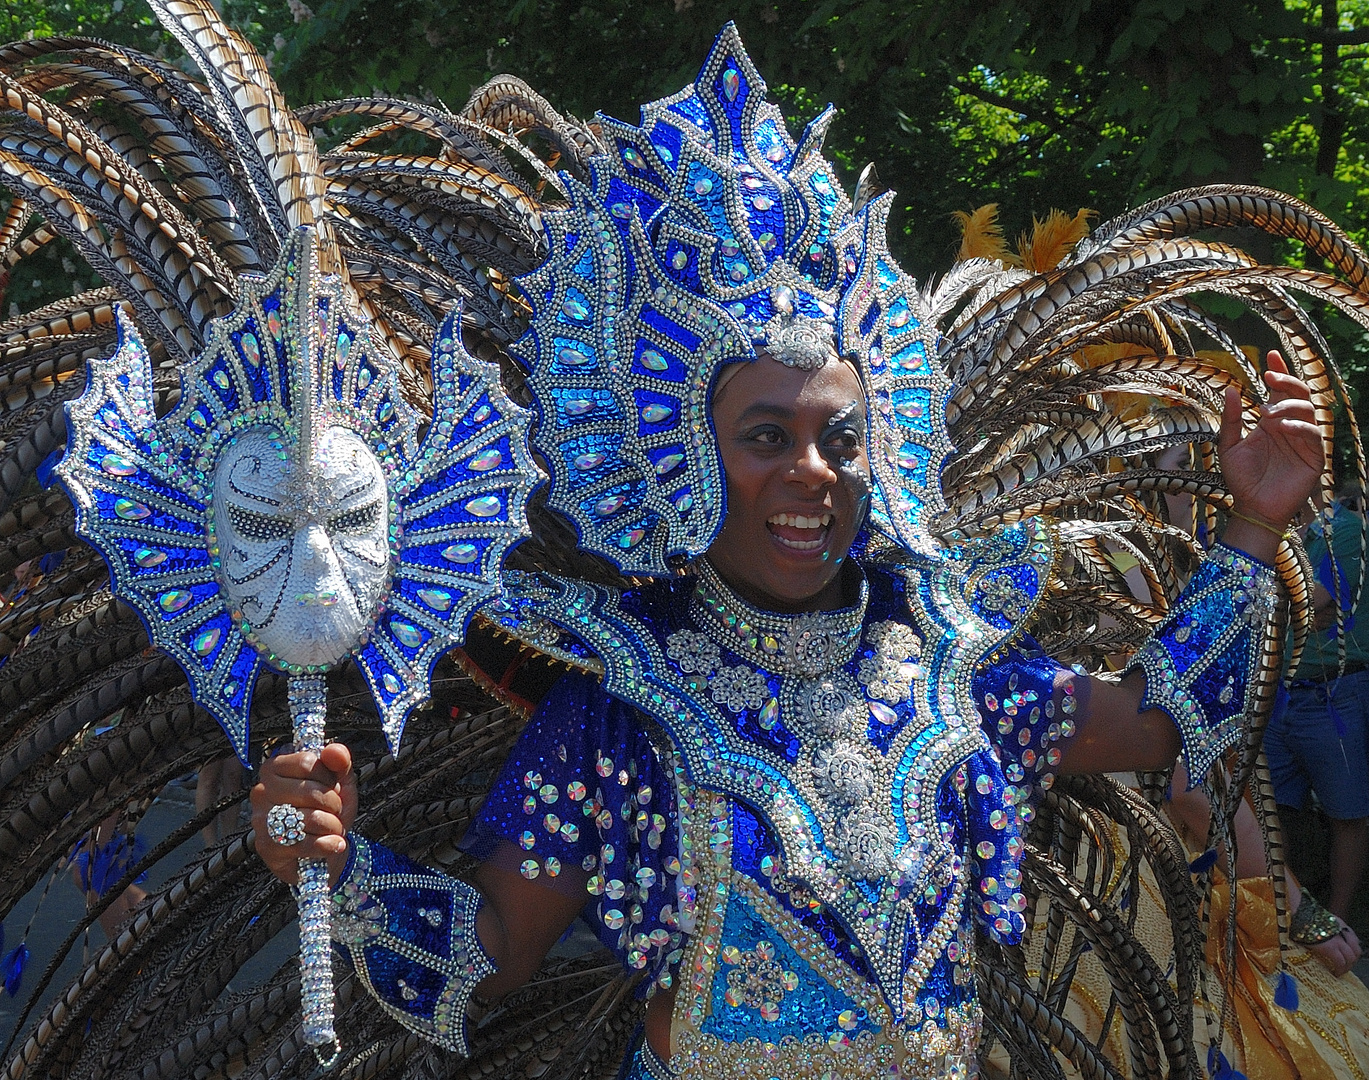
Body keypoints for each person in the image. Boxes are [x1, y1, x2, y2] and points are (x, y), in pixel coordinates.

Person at [1265, 485, 1369, 925]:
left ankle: (1340, 922)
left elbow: (1315, 603)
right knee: (1270, 807)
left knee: (1347, 813)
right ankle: (1283, 917)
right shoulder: (1269, 530)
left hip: (1333, 693)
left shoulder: (1344, 531)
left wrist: (1282, 600)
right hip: (1278, 695)